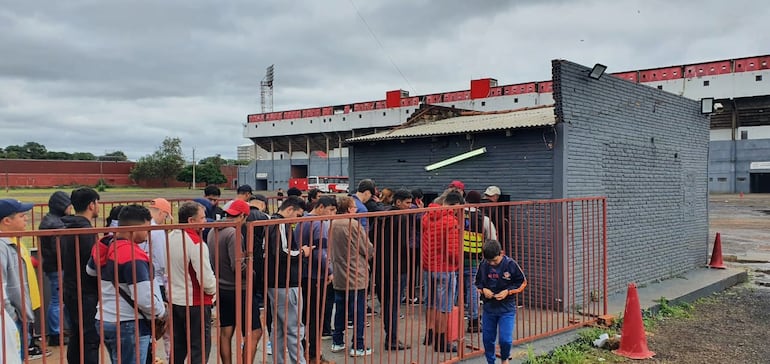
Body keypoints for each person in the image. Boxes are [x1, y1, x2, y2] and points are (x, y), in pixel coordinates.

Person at [89, 204, 166, 364]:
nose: (148, 232)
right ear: (136, 227)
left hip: (105, 319)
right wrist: (160, 310)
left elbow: (90, 271)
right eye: (146, 227)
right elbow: (144, 299)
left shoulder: (105, 244)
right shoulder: (133, 255)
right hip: (128, 324)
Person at [208, 200, 262, 364]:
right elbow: (237, 265)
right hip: (239, 289)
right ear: (243, 216)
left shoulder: (213, 230)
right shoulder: (234, 233)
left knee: (226, 331)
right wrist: (251, 273)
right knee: (254, 332)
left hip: (221, 287)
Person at [166, 201, 217, 364]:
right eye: (202, 218)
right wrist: (213, 290)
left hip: (176, 299)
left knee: (179, 345)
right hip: (195, 302)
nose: (205, 221)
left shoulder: (171, 236)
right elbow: (206, 279)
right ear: (191, 221)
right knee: (199, 347)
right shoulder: (196, 243)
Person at [264, 197, 311, 364]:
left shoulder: (270, 221)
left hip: (274, 282)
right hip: (286, 282)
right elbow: (282, 252)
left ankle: (280, 360)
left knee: (278, 328)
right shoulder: (281, 224)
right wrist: (302, 252)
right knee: (294, 329)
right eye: (298, 216)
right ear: (290, 210)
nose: (297, 221)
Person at [294, 196, 337, 364]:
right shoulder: (319, 223)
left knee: (305, 316)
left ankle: (307, 352)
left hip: (303, 274)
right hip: (315, 275)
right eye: (331, 210)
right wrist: (329, 271)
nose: (333, 214)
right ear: (320, 207)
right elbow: (320, 252)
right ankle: (313, 355)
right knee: (315, 317)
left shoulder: (301, 221)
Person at [60, 187, 101, 364]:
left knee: (76, 336)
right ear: (92, 205)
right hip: (86, 292)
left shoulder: (65, 227)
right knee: (90, 339)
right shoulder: (86, 232)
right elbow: (93, 263)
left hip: (70, 289)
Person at [329, 196, 374, 357]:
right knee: (358, 312)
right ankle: (358, 345)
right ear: (349, 209)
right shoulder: (353, 225)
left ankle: (337, 341)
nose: (356, 209)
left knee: (340, 309)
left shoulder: (332, 223)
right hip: (356, 273)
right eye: (354, 207)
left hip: (339, 273)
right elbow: (366, 248)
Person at [421, 191, 463, 352]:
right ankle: (441, 341)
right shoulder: (451, 221)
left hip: (428, 266)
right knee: (444, 306)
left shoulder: (427, 215)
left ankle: (429, 334)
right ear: (455, 205)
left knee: (430, 302)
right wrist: (458, 262)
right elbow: (453, 251)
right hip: (445, 268)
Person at [373, 189, 412, 351]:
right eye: (407, 203)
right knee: (393, 304)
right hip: (396, 266)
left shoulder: (383, 216)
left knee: (387, 303)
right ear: (398, 202)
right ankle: (392, 338)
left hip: (381, 264)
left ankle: (391, 336)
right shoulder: (400, 218)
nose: (410, 207)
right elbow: (404, 244)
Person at [476, 240, 526, 364]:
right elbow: (477, 282)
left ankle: (504, 359)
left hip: (506, 309)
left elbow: (522, 282)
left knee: (505, 340)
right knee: (488, 339)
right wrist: (483, 289)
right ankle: (490, 361)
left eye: (495, 261)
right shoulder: (483, 264)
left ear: (501, 253)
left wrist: (507, 292)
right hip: (489, 308)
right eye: (489, 261)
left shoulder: (510, 264)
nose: (492, 263)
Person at [0, 199, 36, 361]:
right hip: (10, 320)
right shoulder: (2, 247)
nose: (26, 219)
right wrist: (12, 316)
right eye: (22, 216)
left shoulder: (10, 243)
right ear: (7, 221)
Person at [38, 191, 72, 347]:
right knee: (57, 301)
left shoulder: (50, 220)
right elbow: (59, 249)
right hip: (58, 267)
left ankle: (57, 331)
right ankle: (56, 333)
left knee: (58, 301)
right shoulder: (56, 224)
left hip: (54, 266)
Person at [463, 191, 498, 333]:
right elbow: (493, 240)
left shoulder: (455, 214)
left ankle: (452, 323)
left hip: (454, 260)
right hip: (474, 260)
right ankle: (474, 322)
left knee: (453, 292)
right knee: (473, 291)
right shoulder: (483, 219)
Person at [145, 198, 173, 363]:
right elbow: (163, 261)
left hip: (142, 280)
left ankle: (149, 356)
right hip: (157, 282)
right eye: (165, 215)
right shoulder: (157, 231)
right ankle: (170, 357)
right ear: (161, 212)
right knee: (163, 326)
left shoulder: (141, 226)